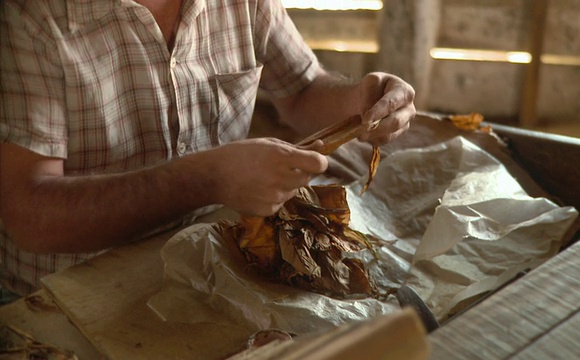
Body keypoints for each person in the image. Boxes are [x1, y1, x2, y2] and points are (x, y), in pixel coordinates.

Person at [0, 0, 416, 297]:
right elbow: (31, 215)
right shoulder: (32, 16)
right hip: (65, 304)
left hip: (213, 276)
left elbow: (303, 91)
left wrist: (361, 99)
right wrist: (207, 180)